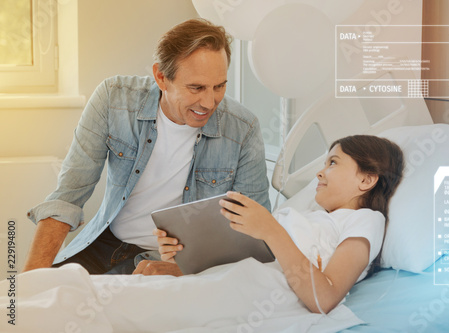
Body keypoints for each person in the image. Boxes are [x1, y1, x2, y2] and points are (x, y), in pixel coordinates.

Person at [23, 19, 270, 274]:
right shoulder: (114, 99)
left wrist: (182, 270)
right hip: (102, 242)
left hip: (173, 260)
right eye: (196, 87)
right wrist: (28, 285)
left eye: (220, 86)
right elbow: (67, 197)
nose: (209, 102)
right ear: (161, 77)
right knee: (48, 301)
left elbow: (258, 235)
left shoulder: (244, 129)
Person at [151, 135, 404, 313]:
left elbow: (325, 298)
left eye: (333, 163)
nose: (320, 172)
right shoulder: (313, 216)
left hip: (255, 295)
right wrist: (182, 257)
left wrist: (271, 230)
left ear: (367, 180)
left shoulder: (366, 220)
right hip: (227, 282)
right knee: (146, 273)